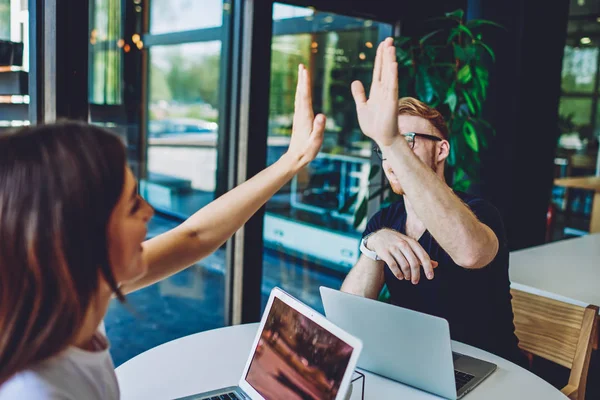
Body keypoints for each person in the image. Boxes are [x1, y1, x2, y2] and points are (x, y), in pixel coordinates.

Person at [0, 64, 325, 399]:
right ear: (82, 237)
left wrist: (292, 160)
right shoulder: (35, 390)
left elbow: (194, 237)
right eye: (131, 205)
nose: (149, 212)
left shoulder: (71, 296)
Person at [341, 38, 526, 366]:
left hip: (489, 371)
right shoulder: (384, 220)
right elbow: (349, 312)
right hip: (417, 366)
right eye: (385, 149)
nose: (391, 158)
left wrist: (390, 140)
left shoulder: (480, 214)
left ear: (441, 150)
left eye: (407, 140)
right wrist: (372, 244)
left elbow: (469, 252)